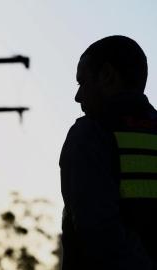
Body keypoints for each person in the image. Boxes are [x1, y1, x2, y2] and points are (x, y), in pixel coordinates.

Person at [60, 35, 157, 270]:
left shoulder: (89, 134)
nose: (78, 96)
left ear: (107, 76)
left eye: (81, 82)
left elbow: (99, 234)